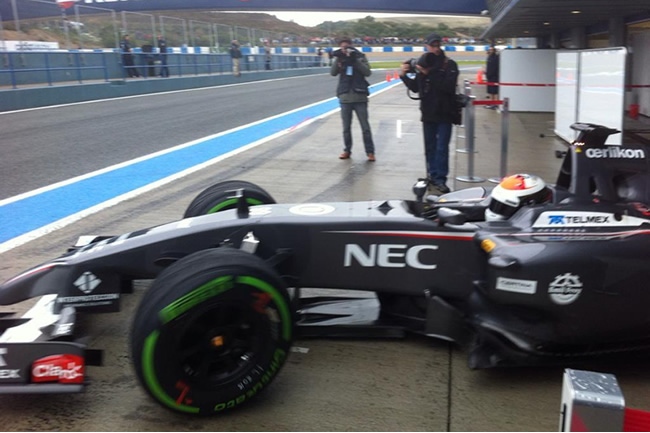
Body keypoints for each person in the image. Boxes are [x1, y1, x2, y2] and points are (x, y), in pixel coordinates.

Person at [399, 33, 459, 194]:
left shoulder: (449, 65)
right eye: (432, 45)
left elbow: (448, 87)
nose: (435, 48)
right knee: (430, 147)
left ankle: (441, 179)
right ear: (426, 46)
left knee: (442, 148)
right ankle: (432, 176)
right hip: (428, 113)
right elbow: (416, 88)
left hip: (445, 112)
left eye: (437, 45)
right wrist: (403, 75)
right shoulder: (423, 64)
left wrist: (428, 73)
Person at [330, 38, 375, 161]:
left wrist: (355, 60)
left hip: (360, 96)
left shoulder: (360, 56)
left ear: (351, 46)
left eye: (347, 47)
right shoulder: (339, 58)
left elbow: (367, 72)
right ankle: (347, 150)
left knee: (365, 127)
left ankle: (370, 152)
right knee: (346, 128)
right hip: (345, 96)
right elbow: (333, 73)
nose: (345, 50)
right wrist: (339, 59)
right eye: (343, 48)